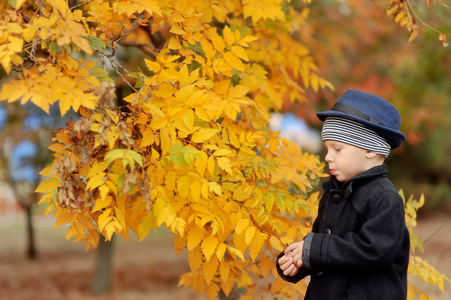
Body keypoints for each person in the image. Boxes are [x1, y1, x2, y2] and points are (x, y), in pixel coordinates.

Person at [276, 89, 410, 299]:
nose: (328, 157)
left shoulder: (385, 198)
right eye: (327, 149)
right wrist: (300, 260)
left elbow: (373, 251)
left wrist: (314, 249)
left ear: (370, 150)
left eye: (337, 149)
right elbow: (329, 252)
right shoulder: (333, 194)